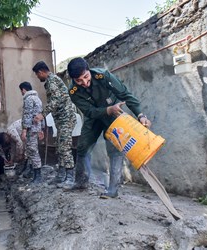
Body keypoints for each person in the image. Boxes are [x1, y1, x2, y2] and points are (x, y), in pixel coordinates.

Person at [66, 57, 151, 198]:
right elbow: (88, 111)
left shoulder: (103, 76)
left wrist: (141, 115)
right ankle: (80, 182)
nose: (85, 83)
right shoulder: (73, 91)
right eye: (79, 81)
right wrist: (107, 110)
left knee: (114, 148)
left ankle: (113, 190)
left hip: (114, 113)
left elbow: (125, 94)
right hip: (93, 116)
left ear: (89, 70)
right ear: (73, 80)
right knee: (82, 146)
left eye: (86, 77)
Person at [32, 61, 77, 188]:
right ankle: (61, 176)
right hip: (62, 119)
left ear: (41, 72)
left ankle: (70, 178)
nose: (38, 77)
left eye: (37, 75)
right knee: (60, 146)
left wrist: (43, 114)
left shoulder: (51, 81)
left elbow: (56, 99)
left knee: (64, 147)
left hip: (66, 118)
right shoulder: (52, 80)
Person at [19, 81, 44, 184]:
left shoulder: (29, 99)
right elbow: (41, 115)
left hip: (31, 129)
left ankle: (38, 175)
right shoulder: (37, 99)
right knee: (31, 150)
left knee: (32, 150)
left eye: (21, 90)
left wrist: (24, 130)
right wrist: (41, 129)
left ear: (24, 89)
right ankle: (30, 171)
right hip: (36, 128)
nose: (21, 93)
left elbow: (28, 115)